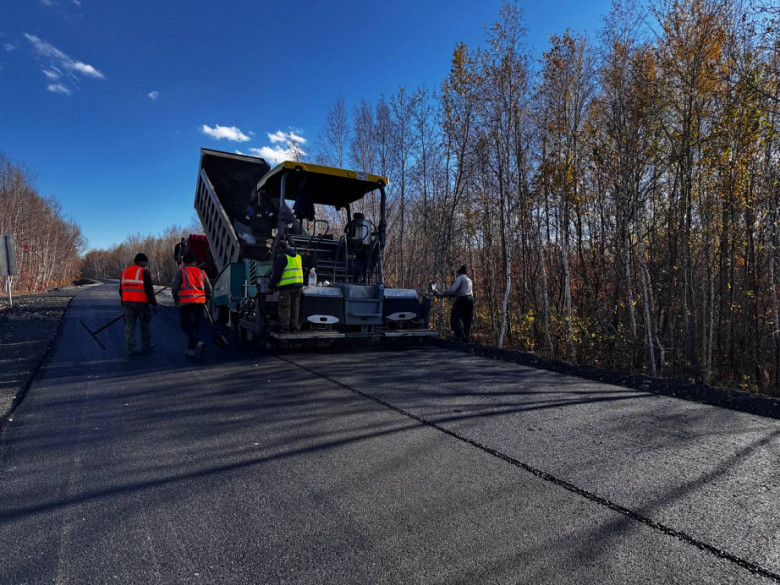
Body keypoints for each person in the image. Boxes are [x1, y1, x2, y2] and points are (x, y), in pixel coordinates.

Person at [172, 251, 213, 357]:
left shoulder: (182, 271)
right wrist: (205, 301)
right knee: (196, 326)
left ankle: (196, 342)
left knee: (185, 325)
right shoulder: (202, 272)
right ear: (195, 261)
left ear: (184, 261)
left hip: (186, 303)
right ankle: (190, 350)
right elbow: (209, 290)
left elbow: (174, 288)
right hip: (199, 303)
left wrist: (176, 299)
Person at [120, 253, 158, 356]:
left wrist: (124, 302)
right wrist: (154, 304)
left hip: (127, 302)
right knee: (144, 324)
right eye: (145, 262)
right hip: (141, 303)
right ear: (141, 261)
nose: (145, 265)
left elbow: (121, 290)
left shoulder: (124, 272)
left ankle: (131, 348)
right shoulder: (144, 272)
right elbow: (149, 290)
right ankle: (146, 345)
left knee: (129, 326)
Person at [268, 240, 303, 332]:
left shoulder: (282, 257)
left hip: (286, 287)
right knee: (295, 306)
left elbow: (277, 274)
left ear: (280, 247)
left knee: (285, 307)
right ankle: (295, 327)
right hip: (298, 286)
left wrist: (271, 287)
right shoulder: (298, 256)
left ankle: (285, 328)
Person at [440, 264, 474, 342]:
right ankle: (467, 338)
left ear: (459, 273)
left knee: (454, 318)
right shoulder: (469, 280)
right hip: (470, 300)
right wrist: (451, 295)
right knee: (467, 319)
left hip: (463, 299)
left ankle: (459, 336)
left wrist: (444, 293)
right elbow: (461, 292)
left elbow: (453, 290)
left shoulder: (460, 278)